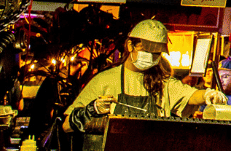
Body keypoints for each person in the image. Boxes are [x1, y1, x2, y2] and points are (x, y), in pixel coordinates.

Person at [63, 19, 219, 131]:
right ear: (130, 46)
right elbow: (66, 125)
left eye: (156, 53)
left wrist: (208, 94)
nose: (151, 57)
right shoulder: (104, 80)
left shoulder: (163, 83)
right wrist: (92, 109)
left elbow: (191, 95)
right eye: (146, 51)